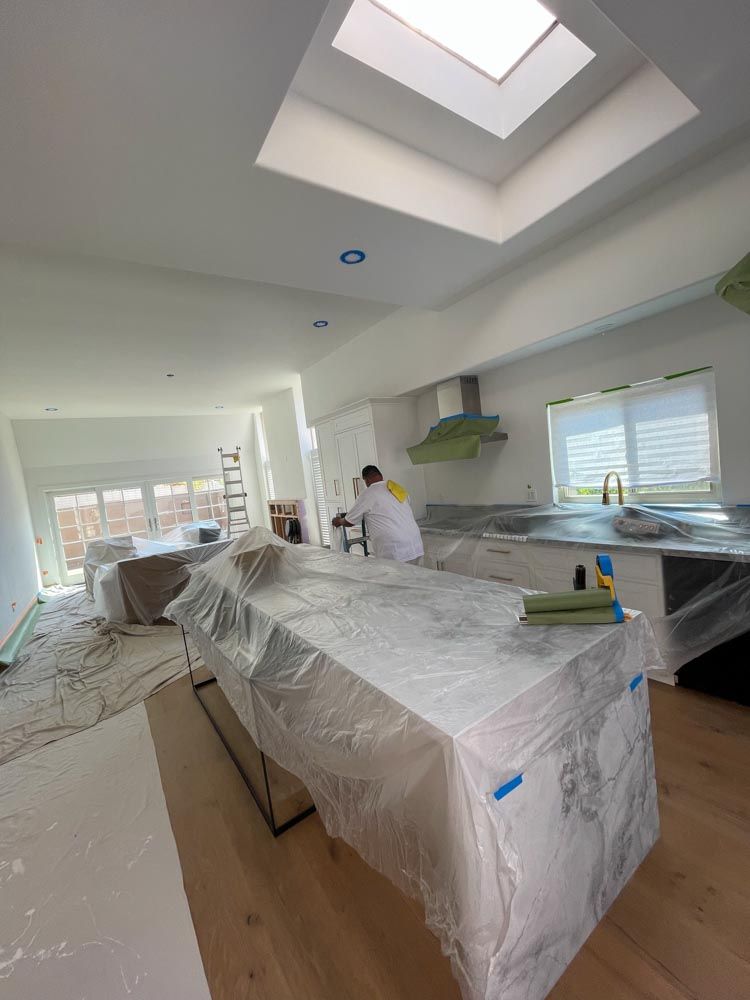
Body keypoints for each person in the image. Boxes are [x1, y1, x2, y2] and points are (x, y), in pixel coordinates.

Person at [332, 466, 424, 564]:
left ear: (366, 479)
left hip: (395, 549)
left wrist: (338, 521)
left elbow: (349, 521)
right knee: (415, 577)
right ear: (381, 476)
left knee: (395, 578)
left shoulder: (368, 493)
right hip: (415, 544)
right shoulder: (396, 488)